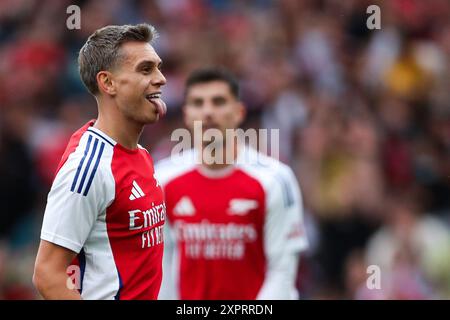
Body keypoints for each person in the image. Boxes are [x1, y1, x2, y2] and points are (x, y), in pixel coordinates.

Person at [33, 23, 168, 300]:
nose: (161, 79)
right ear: (108, 83)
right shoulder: (88, 168)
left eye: (158, 67)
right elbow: (48, 274)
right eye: (146, 69)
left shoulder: (140, 154)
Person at [156, 68, 308, 300]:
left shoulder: (275, 180)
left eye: (218, 102)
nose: (208, 112)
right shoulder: (164, 179)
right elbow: (162, 265)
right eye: (198, 103)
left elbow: (282, 271)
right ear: (187, 115)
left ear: (239, 112)